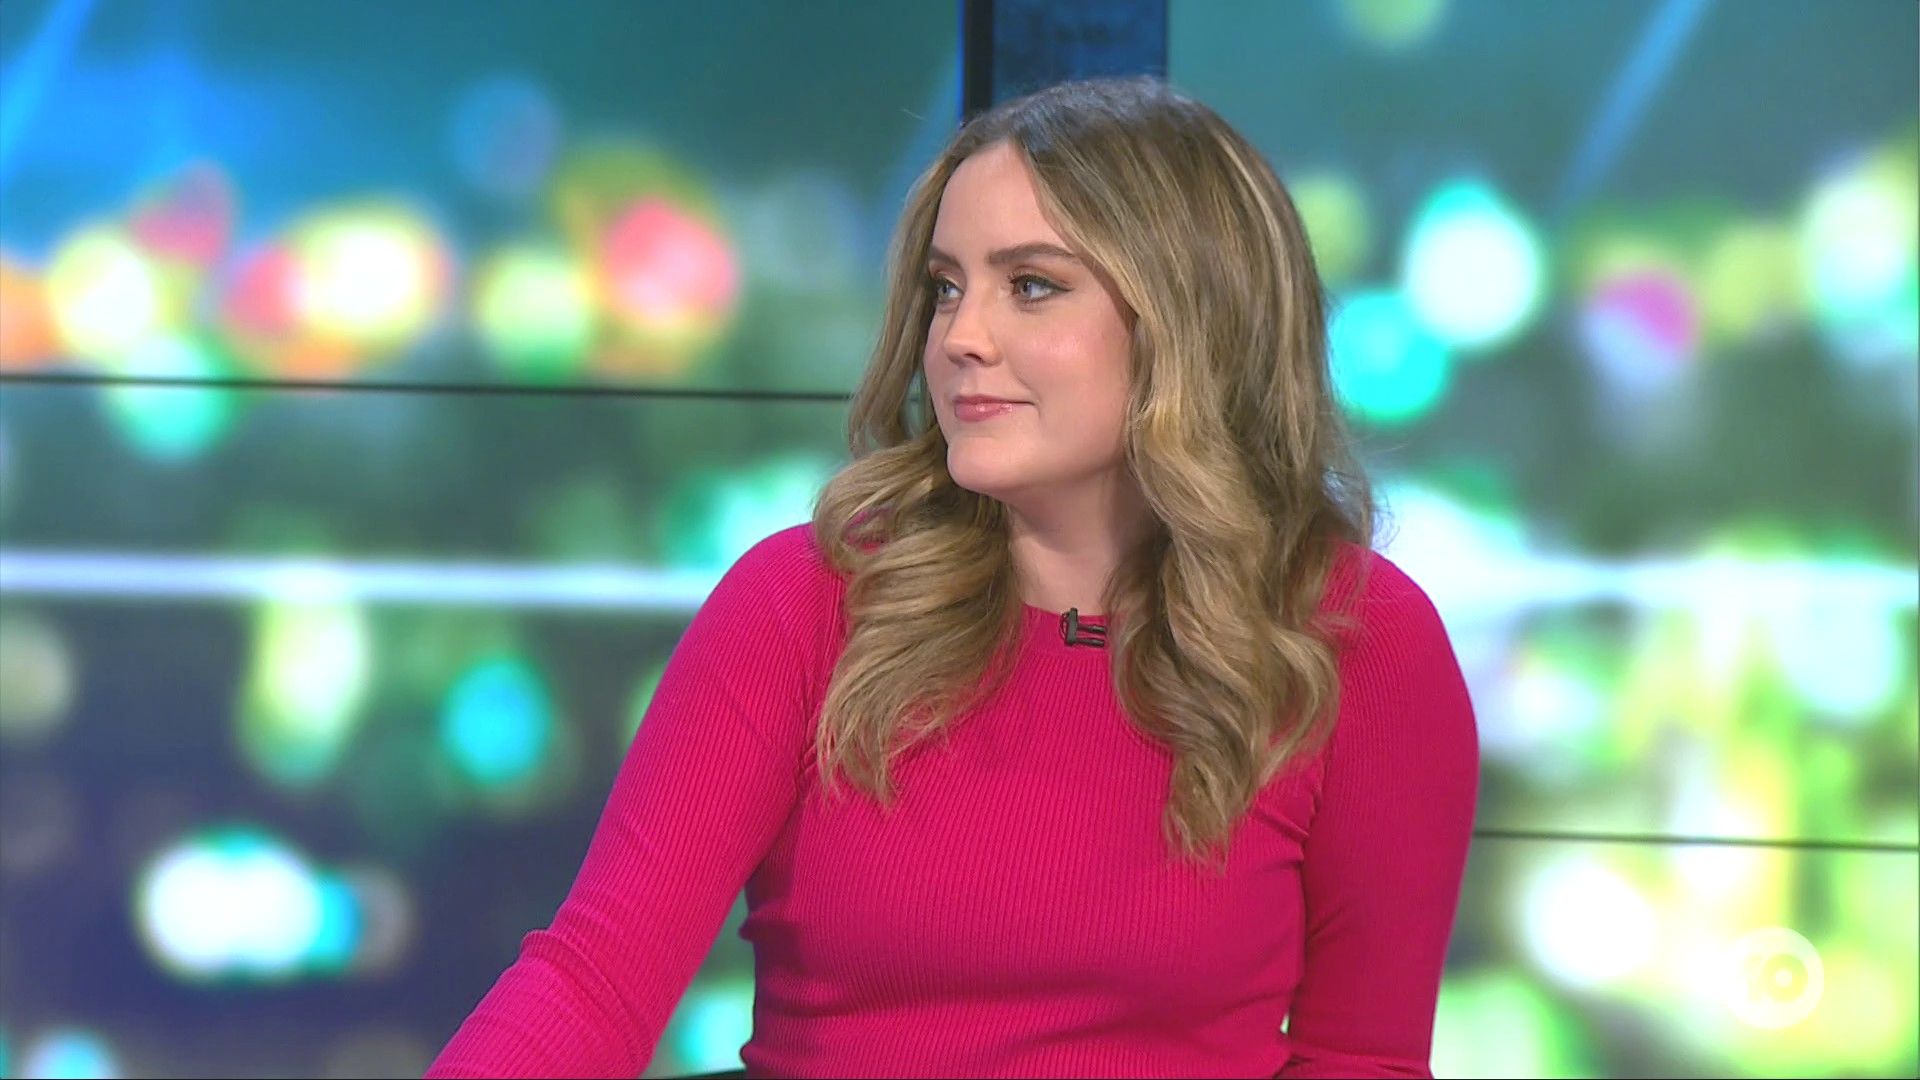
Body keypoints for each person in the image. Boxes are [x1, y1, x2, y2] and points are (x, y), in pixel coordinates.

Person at [425, 75, 1478, 1080]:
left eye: (1031, 286)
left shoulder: (1358, 642)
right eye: (945, 288)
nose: (962, 338)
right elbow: (594, 980)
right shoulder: (805, 603)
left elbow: (1363, 1060)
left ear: (1193, 319)